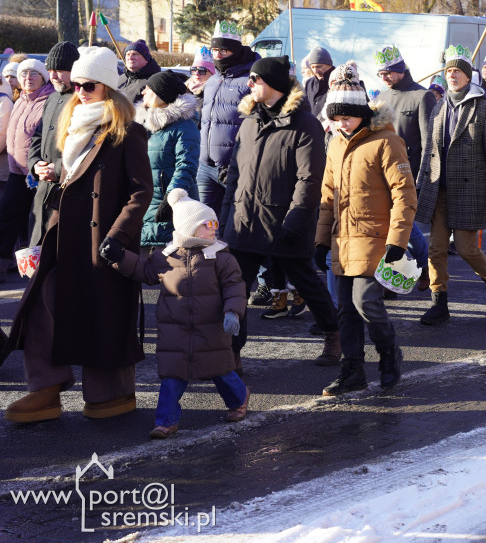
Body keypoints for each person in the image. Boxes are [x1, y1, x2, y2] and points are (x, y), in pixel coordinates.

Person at [3, 46, 152, 423]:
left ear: (108, 88)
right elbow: (74, 176)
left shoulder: (127, 132)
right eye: (77, 85)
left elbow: (141, 191)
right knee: (39, 306)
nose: (79, 92)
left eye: (88, 86)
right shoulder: (71, 122)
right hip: (62, 232)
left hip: (102, 237)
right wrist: (51, 173)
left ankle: (110, 396)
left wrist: (118, 237)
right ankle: (45, 390)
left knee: (102, 314)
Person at [220, 55, 339, 368]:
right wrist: (224, 223)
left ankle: (333, 334)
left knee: (306, 283)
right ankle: (232, 353)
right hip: (244, 222)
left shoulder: (305, 124)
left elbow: (309, 179)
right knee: (236, 289)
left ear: (272, 84)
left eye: (256, 79)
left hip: (285, 224)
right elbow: (234, 175)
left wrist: (295, 223)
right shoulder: (248, 123)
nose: (249, 85)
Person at [102, 189, 249, 438]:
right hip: (175, 332)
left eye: (215, 222)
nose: (214, 228)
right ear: (188, 228)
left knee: (221, 370)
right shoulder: (165, 257)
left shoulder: (221, 257)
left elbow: (235, 287)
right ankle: (165, 421)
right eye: (207, 224)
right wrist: (119, 258)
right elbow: (143, 271)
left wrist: (233, 312)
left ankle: (239, 399)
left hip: (212, 329)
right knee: (172, 378)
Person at [315, 81, 417, 396]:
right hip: (342, 240)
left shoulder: (387, 142)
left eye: (347, 117)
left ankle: (389, 354)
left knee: (365, 303)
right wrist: (320, 240)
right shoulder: (333, 143)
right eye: (336, 118)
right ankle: (353, 370)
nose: (341, 123)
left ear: (360, 113)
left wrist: (397, 241)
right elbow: (328, 196)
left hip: (375, 239)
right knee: (345, 309)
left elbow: (404, 194)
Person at [416, 45, 486, 325]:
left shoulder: (485, 109)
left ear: (469, 76)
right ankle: (439, 302)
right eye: (449, 70)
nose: (452, 75)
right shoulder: (439, 107)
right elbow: (429, 150)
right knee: (436, 248)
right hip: (440, 189)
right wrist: (422, 182)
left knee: (468, 249)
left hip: (470, 190)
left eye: (458, 70)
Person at [198, 20, 260, 215]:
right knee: (204, 225)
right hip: (205, 167)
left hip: (234, 168)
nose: (218, 55)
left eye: (223, 51)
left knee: (230, 226)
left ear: (235, 51)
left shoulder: (249, 80)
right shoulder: (213, 80)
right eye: (214, 50)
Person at [0, 59, 55, 274]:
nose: (28, 78)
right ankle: (4, 263)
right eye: (24, 74)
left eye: (34, 74)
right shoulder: (20, 100)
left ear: (43, 78)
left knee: (36, 224)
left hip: (38, 174)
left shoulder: (50, 100)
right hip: (16, 172)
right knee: (7, 218)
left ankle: (37, 271)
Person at [135, 71, 200, 247]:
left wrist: (171, 199)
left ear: (159, 94)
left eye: (147, 89)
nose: (142, 93)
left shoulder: (185, 127)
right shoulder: (145, 124)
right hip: (146, 204)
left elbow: (186, 167)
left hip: (168, 208)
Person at [28, 43, 79, 248]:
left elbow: (86, 148)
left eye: (59, 71)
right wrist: (35, 164)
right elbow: (37, 136)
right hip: (43, 187)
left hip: (66, 189)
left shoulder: (81, 100)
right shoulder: (51, 98)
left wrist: (57, 168)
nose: (53, 76)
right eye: (50, 71)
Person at [375, 44, 435, 181]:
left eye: (387, 73)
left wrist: (423, 179)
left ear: (400, 69)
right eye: (381, 74)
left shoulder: (422, 96)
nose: (384, 79)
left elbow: (429, 143)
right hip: (382, 174)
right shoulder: (381, 98)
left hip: (409, 174)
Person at [118, 39, 161, 106]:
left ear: (146, 58)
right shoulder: (120, 78)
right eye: (128, 54)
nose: (130, 57)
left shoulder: (154, 82)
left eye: (135, 54)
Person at [303, 46, 335, 128]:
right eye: (313, 67)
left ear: (329, 65)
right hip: (311, 128)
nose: (315, 71)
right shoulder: (309, 83)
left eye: (319, 66)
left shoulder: (336, 82)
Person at [186, 46, 216, 114]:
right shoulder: (183, 91)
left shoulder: (215, 94)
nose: (197, 73)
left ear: (212, 73)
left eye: (202, 70)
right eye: (194, 70)